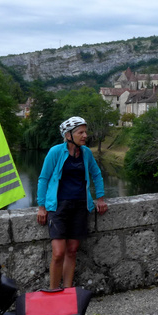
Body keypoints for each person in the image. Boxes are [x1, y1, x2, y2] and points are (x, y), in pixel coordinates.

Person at [37, 116, 108, 289]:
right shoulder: (55, 152)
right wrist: (41, 206)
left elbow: (96, 174)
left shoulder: (86, 153)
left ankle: (67, 291)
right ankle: (54, 291)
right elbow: (43, 178)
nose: (85, 135)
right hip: (58, 207)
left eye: (85, 132)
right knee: (58, 253)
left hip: (80, 206)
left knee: (72, 251)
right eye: (80, 132)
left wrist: (100, 198)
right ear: (68, 135)